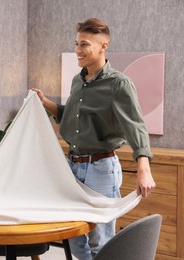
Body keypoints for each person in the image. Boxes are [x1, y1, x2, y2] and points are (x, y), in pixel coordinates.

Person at [32, 18, 156, 260]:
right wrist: (46, 103)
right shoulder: (78, 80)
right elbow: (73, 116)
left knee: (101, 241)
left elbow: (136, 126)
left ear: (103, 46)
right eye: (76, 43)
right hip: (72, 167)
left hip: (101, 169)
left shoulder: (118, 84)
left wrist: (144, 168)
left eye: (84, 44)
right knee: (73, 237)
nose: (77, 50)